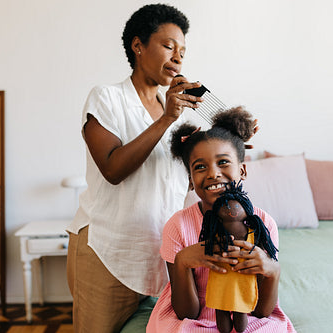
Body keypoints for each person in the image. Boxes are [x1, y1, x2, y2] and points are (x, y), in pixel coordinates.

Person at [66, 4, 203, 332]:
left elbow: (172, 187)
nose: (178, 57)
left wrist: (221, 153)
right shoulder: (106, 98)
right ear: (138, 46)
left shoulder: (174, 114)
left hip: (159, 258)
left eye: (182, 51)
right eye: (169, 46)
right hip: (107, 253)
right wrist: (168, 119)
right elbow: (112, 170)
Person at [146, 107, 296, 332]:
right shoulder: (178, 226)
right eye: (200, 167)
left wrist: (273, 271)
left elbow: (262, 311)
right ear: (190, 179)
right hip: (196, 316)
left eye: (223, 162)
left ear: (242, 170)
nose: (213, 173)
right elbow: (186, 312)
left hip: (247, 311)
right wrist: (183, 261)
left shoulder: (263, 224)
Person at [200, 181, 279, 333]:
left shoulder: (253, 233)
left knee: (240, 306)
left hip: (243, 277)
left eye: (236, 206)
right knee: (220, 305)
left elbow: (262, 252)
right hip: (220, 276)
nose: (232, 210)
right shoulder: (215, 234)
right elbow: (206, 249)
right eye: (227, 207)